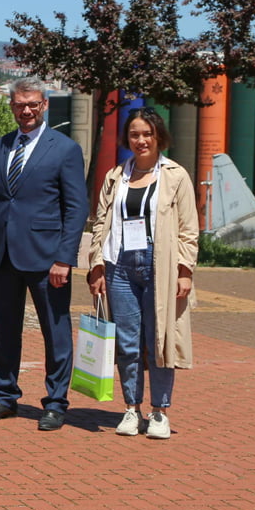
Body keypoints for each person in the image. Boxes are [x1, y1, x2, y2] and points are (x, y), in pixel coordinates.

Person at [0, 77, 88, 431]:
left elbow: (76, 208)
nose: (25, 110)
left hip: (47, 258)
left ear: (44, 106)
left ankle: (55, 403)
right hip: (4, 256)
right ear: (11, 106)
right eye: (19, 104)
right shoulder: (0, 146)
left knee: (55, 332)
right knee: (5, 330)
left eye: (32, 105)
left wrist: (64, 259)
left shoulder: (65, 149)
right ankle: (4, 397)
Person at [87, 108, 197, 440]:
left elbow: (188, 229)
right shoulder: (115, 176)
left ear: (158, 136)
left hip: (159, 265)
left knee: (160, 339)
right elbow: (100, 225)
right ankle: (131, 409)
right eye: (134, 134)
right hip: (120, 266)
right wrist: (96, 265)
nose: (141, 140)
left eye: (147, 133)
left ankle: (159, 412)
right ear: (127, 139)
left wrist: (184, 270)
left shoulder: (175, 175)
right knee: (128, 343)